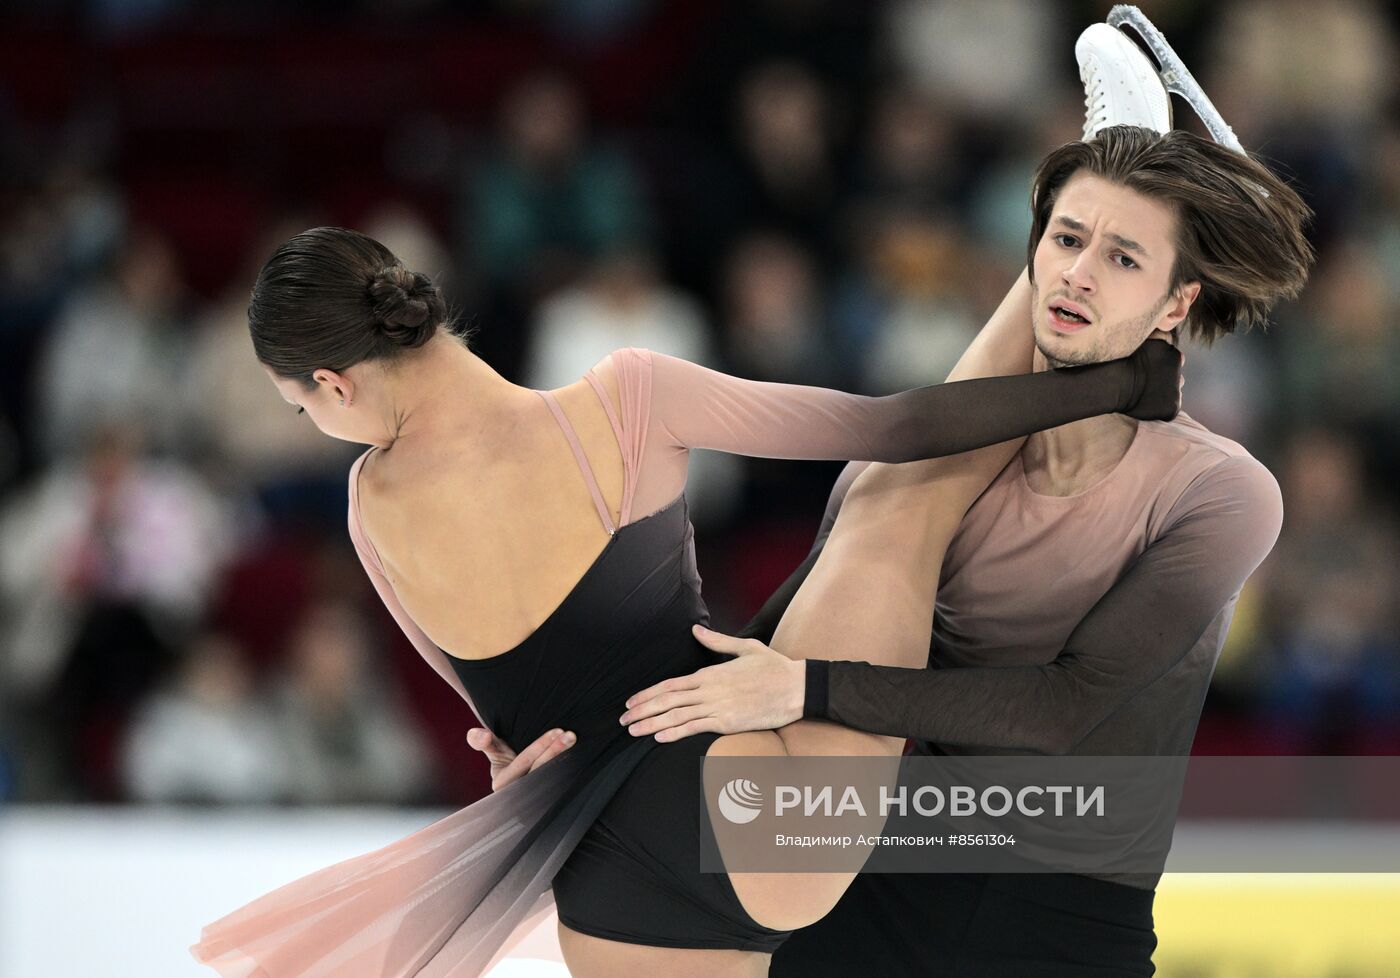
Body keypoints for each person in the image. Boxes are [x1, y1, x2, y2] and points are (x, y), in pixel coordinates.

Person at [187, 212, 1179, 978]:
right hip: (753, 809)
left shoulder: (370, 510)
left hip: (605, 897)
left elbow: (498, 729)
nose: (314, 425)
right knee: (893, 499)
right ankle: (1076, 232)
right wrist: (1117, 386)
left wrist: (508, 750)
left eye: (300, 408)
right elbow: (900, 424)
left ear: (335, 382)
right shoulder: (626, 399)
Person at [611, 21, 1315, 978]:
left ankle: (1131, 137)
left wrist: (799, 688)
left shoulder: (1223, 492)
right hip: (876, 877)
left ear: (1176, 306)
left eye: (1123, 260)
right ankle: (1129, 141)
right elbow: (821, 600)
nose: (1077, 273)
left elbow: (1066, 708)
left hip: (1064, 918)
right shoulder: (951, 470)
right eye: (1065, 240)